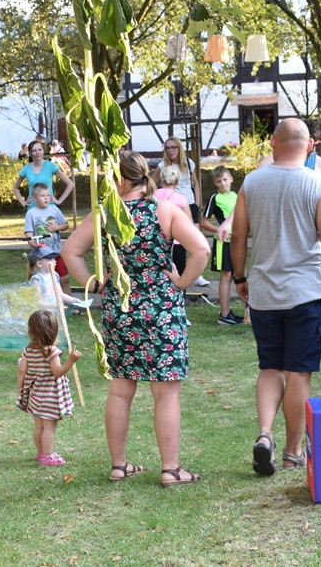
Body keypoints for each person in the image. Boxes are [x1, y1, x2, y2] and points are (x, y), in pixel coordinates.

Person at [62, 150, 210, 487]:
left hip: (121, 306)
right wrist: (183, 282)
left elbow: (70, 250)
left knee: (119, 391)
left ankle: (119, 465)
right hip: (161, 306)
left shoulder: (106, 214)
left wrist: (95, 283)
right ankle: (171, 470)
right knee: (166, 393)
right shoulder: (164, 209)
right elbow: (201, 249)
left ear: (120, 179)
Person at [230, 118, 321, 476]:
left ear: (271, 143)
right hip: (306, 292)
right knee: (299, 371)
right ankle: (292, 451)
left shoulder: (251, 183)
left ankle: (264, 433)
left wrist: (239, 277)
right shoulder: (318, 184)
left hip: (264, 291)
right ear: (310, 146)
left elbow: (238, 236)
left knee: (270, 367)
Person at [16, 309, 81, 466]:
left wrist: (21, 388)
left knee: (38, 427)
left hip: (35, 394)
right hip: (50, 396)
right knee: (49, 428)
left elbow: (21, 370)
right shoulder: (52, 352)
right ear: (53, 331)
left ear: (31, 331)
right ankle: (47, 455)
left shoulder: (28, 350)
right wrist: (71, 361)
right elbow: (57, 372)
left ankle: (40, 453)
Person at [152, 137, 209, 286]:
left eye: (173, 147)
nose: (170, 150)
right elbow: (152, 181)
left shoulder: (188, 164)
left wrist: (196, 202)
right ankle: (173, 271)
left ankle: (196, 274)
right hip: (170, 205)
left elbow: (195, 183)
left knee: (194, 238)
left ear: (179, 148)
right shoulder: (162, 165)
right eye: (168, 148)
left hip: (188, 203)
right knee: (174, 239)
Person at [200, 165, 242, 325]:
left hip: (238, 241)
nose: (223, 183)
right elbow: (204, 222)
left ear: (231, 179)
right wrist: (220, 229)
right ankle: (224, 315)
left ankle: (243, 312)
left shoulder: (237, 195)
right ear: (215, 183)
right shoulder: (214, 199)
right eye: (219, 181)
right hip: (223, 242)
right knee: (226, 276)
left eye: (225, 179)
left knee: (239, 275)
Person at [24, 183, 70, 295]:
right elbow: (29, 233)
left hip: (56, 252)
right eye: (43, 195)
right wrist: (32, 242)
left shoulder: (55, 210)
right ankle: (38, 304)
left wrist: (56, 227)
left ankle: (70, 307)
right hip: (41, 255)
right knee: (40, 281)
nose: (46, 198)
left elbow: (66, 225)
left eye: (48, 195)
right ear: (35, 198)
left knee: (64, 279)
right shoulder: (31, 213)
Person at [152, 165, 190, 280]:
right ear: (177, 181)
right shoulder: (181, 199)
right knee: (179, 276)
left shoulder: (152, 196)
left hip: (155, 242)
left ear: (161, 179)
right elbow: (189, 223)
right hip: (177, 242)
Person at [13, 140, 74, 210]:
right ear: (30, 153)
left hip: (50, 208)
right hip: (33, 209)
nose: (37, 152)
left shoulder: (51, 166)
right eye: (34, 150)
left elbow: (70, 184)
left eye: (39, 149)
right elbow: (15, 188)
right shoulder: (26, 169)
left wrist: (59, 201)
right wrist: (23, 202)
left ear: (43, 151)